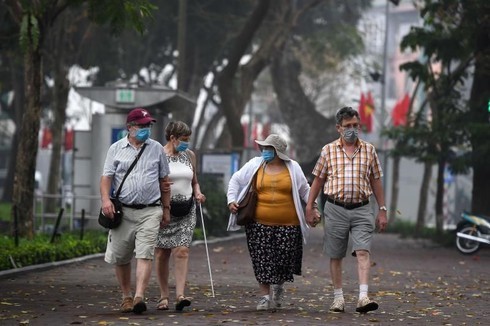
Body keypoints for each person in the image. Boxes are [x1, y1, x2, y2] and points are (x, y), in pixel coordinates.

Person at [305, 106, 388, 314]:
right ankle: (338, 298)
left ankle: (363, 297)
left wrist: (382, 209)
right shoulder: (328, 150)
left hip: (362, 208)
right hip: (335, 208)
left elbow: (376, 180)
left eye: (355, 125)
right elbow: (318, 180)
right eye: (347, 126)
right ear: (338, 128)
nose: (352, 129)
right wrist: (310, 206)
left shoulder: (369, 150)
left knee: (363, 251)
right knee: (336, 254)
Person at [227, 134, 320, 311]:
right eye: (264, 148)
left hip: (289, 225)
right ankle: (264, 297)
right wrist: (231, 200)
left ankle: (278, 286)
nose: (265, 151)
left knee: (284, 261)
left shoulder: (293, 168)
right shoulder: (256, 164)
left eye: (269, 149)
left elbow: (305, 191)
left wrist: (313, 207)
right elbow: (236, 179)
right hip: (258, 223)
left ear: (278, 152)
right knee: (262, 260)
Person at [100, 108, 171, 314]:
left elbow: (164, 181)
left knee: (145, 253)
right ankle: (126, 296)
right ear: (130, 128)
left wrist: (166, 209)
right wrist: (106, 200)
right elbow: (106, 178)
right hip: (124, 212)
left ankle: (139, 295)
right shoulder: (116, 149)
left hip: (151, 210)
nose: (146, 129)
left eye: (148, 125)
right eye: (141, 126)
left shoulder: (157, 148)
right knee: (121, 257)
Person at [154, 121, 206, 311]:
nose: (187, 143)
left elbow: (194, 182)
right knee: (161, 252)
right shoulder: (158, 154)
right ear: (173, 138)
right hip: (163, 209)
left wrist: (198, 193)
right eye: (184, 140)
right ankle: (163, 295)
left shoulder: (189, 156)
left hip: (187, 209)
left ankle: (180, 294)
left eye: (188, 139)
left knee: (182, 250)